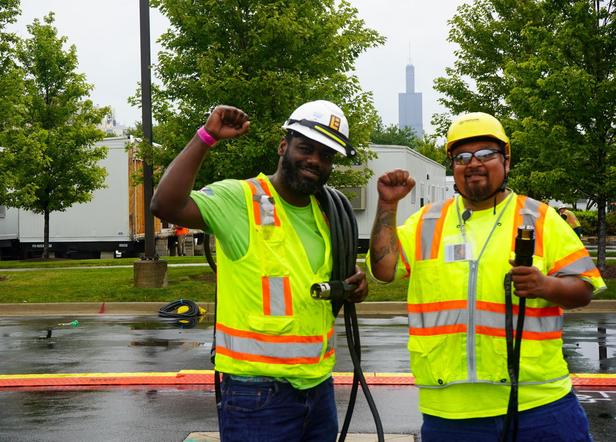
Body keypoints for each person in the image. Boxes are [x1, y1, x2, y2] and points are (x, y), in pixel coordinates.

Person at [367, 112, 605, 441]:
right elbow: (383, 270)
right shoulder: (427, 222)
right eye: (462, 156)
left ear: (506, 160)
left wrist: (544, 285)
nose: (474, 163)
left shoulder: (540, 217)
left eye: (486, 154)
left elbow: (583, 290)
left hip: (539, 403)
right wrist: (387, 205)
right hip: (451, 411)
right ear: (453, 166)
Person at [150, 100, 368, 441]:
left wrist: (351, 282)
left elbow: (316, 274)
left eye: (325, 155)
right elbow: (165, 204)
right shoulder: (240, 199)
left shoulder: (328, 212)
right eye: (306, 148)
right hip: (257, 394)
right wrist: (207, 136)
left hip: (319, 386)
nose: (315, 161)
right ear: (284, 146)